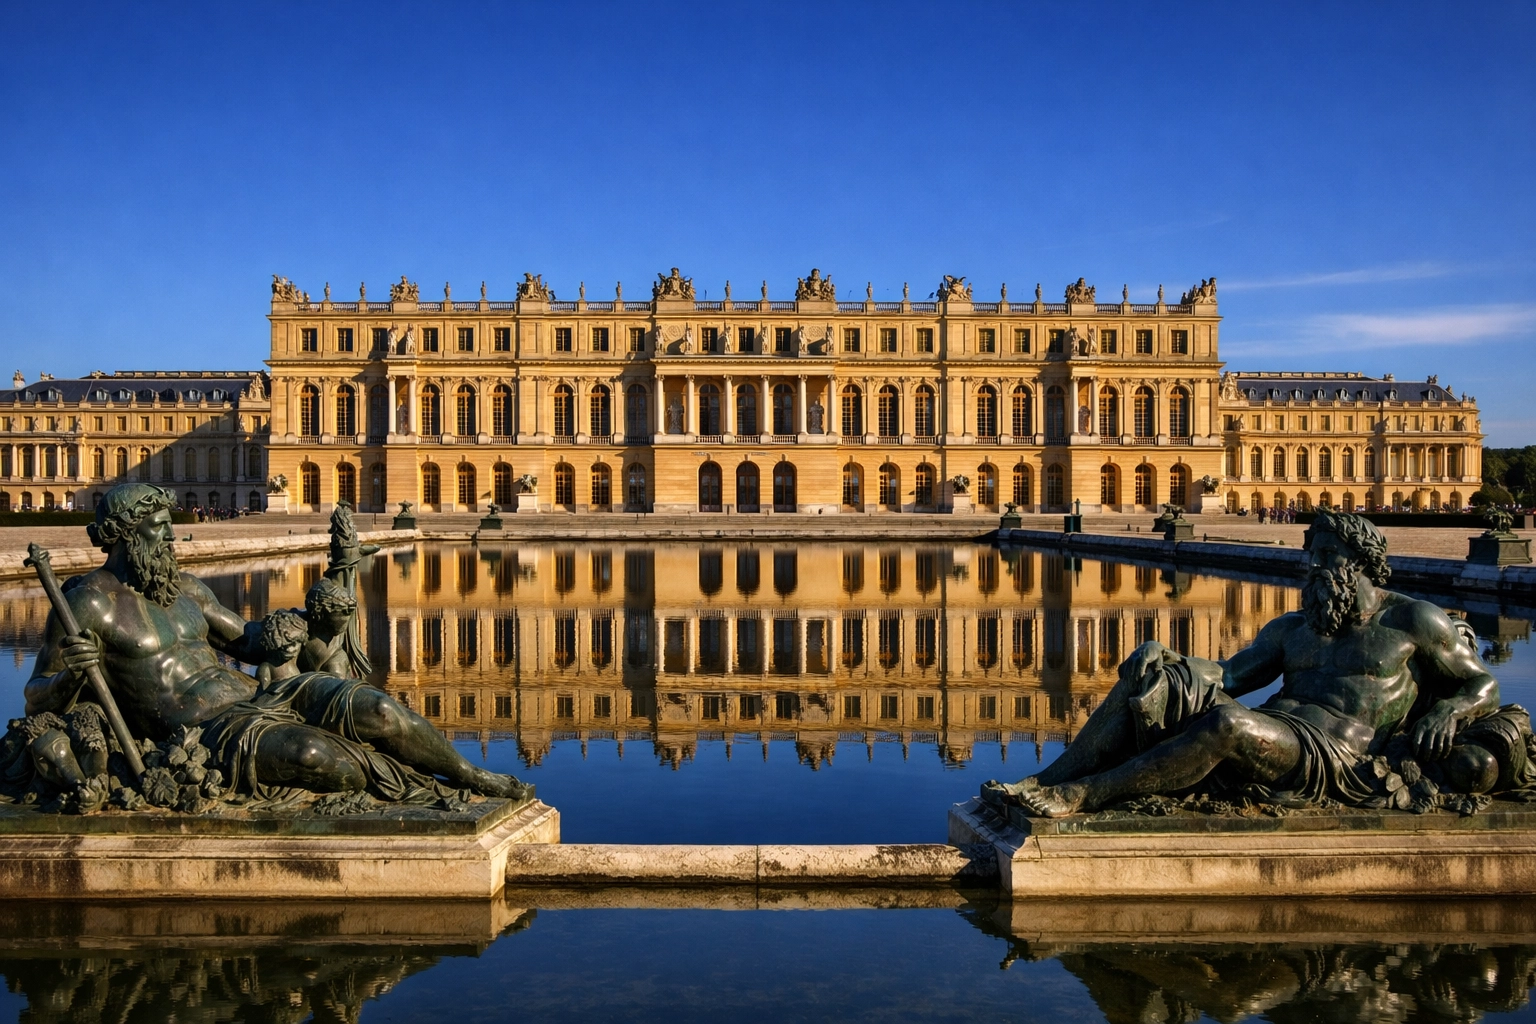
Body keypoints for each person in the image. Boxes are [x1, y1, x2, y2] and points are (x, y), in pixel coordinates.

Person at [981, 509, 1513, 816]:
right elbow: (1231, 675)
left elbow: (1481, 683)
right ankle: (1048, 777)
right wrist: (1169, 657)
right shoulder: (1296, 626)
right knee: (1156, 678)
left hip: (1339, 758)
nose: (1314, 565)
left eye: (1326, 556)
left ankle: (1084, 793)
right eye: (1312, 555)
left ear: (1360, 561)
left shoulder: (1414, 621)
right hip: (1282, 733)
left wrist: (1451, 713)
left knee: (1229, 723)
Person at [26, 484, 528, 801]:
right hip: (205, 732)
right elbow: (37, 695)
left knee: (379, 711)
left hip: (260, 693)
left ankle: (468, 777)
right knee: (314, 757)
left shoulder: (183, 588)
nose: (172, 541)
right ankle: (398, 778)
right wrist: (71, 672)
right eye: (160, 531)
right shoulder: (87, 603)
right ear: (127, 535)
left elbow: (246, 641)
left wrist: (312, 616)